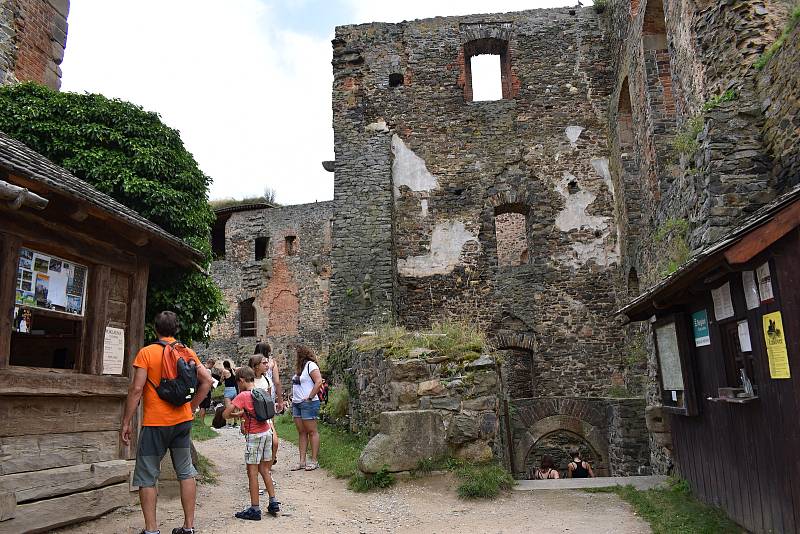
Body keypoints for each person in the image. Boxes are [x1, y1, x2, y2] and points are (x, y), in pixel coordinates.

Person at [121, 311, 213, 534]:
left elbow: (136, 389)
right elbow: (208, 380)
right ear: (176, 329)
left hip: (155, 424)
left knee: (147, 474)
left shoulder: (147, 353)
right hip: (182, 422)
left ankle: (151, 530)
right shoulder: (186, 351)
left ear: (156, 329)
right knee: (185, 471)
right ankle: (188, 527)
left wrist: (127, 421)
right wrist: (191, 407)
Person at [223, 366, 280, 520]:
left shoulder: (243, 396)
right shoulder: (261, 390)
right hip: (267, 432)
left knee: (252, 473)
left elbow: (226, 414)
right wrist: (243, 412)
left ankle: (255, 509)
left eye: (238, 383)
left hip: (254, 436)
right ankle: (273, 501)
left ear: (241, 380)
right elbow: (255, 411)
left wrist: (233, 412)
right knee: (265, 469)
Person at [290, 345, 323, 471]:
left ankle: (314, 461)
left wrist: (310, 397)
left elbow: (318, 381)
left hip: (308, 403)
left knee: (312, 431)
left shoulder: (311, 365)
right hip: (297, 403)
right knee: (302, 432)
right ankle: (302, 461)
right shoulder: (300, 369)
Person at [251, 342, 283, 467]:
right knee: (270, 424)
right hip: (269, 395)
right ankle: (270, 454)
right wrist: (280, 400)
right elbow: (277, 381)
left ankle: (261, 454)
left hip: (261, 391)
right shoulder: (272, 362)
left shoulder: (254, 363)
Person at [196, 359, 217, 425]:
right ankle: (202, 422)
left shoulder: (200, 369)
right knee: (203, 407)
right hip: (206, 390)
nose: (212, 367)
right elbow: (209, 381)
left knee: (201, 406)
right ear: (210, 364)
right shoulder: (208, 370)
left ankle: (200, 421)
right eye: (212, 365)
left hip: (199, 389)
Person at [222, 360, 239, 427]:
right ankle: (235, 423)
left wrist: (222, 378)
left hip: (228, 389)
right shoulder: (233, 371)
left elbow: (221, 380)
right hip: (234, 389)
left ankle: (229, 423)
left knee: (228, 407)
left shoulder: (225, 371)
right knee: (234, 407)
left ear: (224, 365)